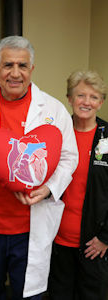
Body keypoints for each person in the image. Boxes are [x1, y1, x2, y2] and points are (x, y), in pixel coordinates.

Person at [0, 36, 78, 299]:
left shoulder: (53, 109)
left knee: (29, 296)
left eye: (22, 65)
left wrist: (48, 189)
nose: (15, 73)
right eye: (8, 65)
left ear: (32, 69)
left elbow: (68, 157)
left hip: (31, 225)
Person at [48, 70, 108, 300]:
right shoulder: (56, 135)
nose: (86, 102)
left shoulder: (107, 137)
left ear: (101, 102)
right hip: (56, 240)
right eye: (80, 95)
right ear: (69, 98)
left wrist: (106, 238)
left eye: (94, 97)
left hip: (94, 245)